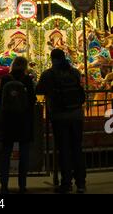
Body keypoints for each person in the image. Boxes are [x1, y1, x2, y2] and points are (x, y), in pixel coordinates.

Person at [36, 48, 86, 194]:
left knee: (63, 149)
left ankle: (66, 182)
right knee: (77, 148)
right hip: (76, 115)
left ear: (52, 59)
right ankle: (81, 183)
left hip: (59, 116)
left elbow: (39, 90)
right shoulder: (75, 72)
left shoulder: (49, 74)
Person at [0, 56, 36, 194]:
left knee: (6, 154)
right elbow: (32, 99)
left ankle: (4, 184)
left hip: (8, 120)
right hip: (24, 121)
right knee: (24, 154)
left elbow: (0, 100)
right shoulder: (27, 80)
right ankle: (22, 184)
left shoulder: (6, 79)